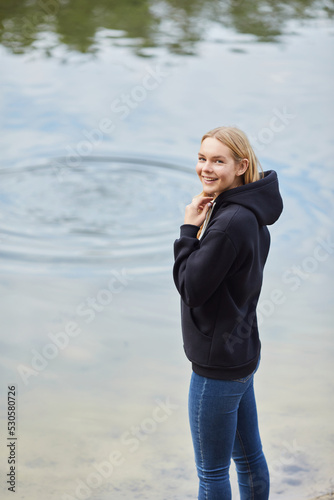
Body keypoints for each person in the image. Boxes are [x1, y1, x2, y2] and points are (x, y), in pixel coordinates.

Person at [173, 126, 283, 499]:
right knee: (249, 459)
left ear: (241, 166)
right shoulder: (248, 212)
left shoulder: (229, 223)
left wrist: (189, 230)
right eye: (202, 158)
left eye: (218, 161)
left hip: (217, 367)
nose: (206, 168)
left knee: (211, 473)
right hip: (240, 354)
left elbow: (191, 288)